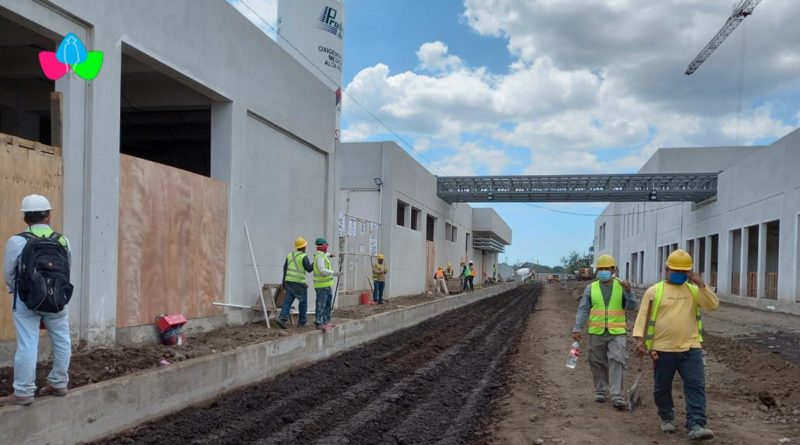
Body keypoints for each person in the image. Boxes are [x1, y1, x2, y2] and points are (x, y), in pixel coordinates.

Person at [633, 250, 719, 441]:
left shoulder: (694, 290)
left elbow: (713, 305)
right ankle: (666, 416)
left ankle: (696, 424)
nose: (680, 274)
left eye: (685, 271)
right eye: (676, 270)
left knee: (695, 386)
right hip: (662, 350)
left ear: (690, 272)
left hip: (691, 348)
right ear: (667, 270)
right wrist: (639, 340)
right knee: (662, 387)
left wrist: (701, 284)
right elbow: (642, 318)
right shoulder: (655, 291)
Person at [1, 194, 72, 406]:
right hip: (58, 300)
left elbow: (9, 274)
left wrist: (21, 294)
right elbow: (67, 270)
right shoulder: (63, 240)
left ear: (25, 218)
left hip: (27, 300)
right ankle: (59, 383)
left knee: (27, 344)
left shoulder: (17, 241)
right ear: (49, 216)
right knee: (62, 340)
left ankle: (23, 392)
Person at [572, 254, 637, 410]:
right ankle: (601, 390)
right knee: (596, 361)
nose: (603, 271)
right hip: (596, 331)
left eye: (606, 269)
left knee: (617, 359)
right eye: (600, 269)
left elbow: (632, 306)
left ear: (613, 270)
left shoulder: (622, 287)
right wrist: (577, 328)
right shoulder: (591, 288)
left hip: (617, 331)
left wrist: (629, 292)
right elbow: (583, 310)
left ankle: (617, 395)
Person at [276, 237, 314, 329]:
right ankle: (302, 322)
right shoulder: (303, 257)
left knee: (288, 301)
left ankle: (282, 318)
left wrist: (283, 282)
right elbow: (309, 269)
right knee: (303, 302)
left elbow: (284, 268)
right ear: (304, 247)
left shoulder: (290, 255)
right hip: (299, 283)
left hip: (289, 282)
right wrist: (315, 261)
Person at [312, 238, 339, 332]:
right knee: (321, 304)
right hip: (321, 286)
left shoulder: (322, 255)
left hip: (326, 285)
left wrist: (330, 254)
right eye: (326, 245)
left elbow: (325, 255)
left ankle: (326, 322)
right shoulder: (319, 257)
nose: (327, 247)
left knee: (327, 305)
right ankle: (319, 322)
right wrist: (334, 273)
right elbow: (322, 270)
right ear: (323, 246)